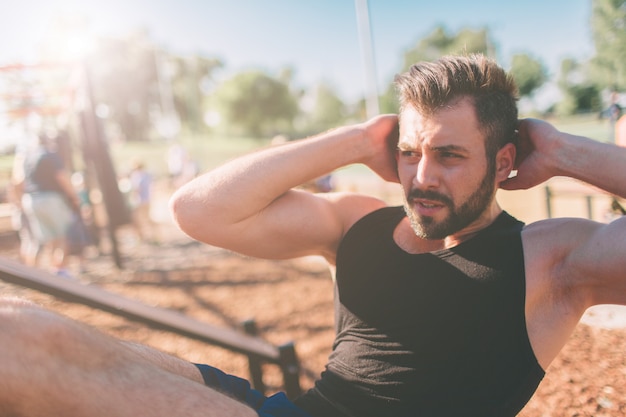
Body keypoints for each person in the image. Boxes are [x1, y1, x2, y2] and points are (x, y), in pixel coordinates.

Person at [0, 54, 623, 416]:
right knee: (19, 322)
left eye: (451, 157)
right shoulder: (358, 223)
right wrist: (356, 141)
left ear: (505, 159)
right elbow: (198, 210)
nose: (421, 178)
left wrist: (566, 150)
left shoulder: (553, 259)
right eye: (409, 152)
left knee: (22, 351)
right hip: (282, 408)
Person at [16, 130, 82, 277]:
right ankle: (60, 271)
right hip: (51, 199)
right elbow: (62, 177)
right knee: (63, 236)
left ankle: (46, 274)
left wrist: (19, 201)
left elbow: (19, 182)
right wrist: (74, 197)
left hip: (32, 200)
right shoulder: (51, 155)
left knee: (49, 240)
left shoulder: (27, 158)